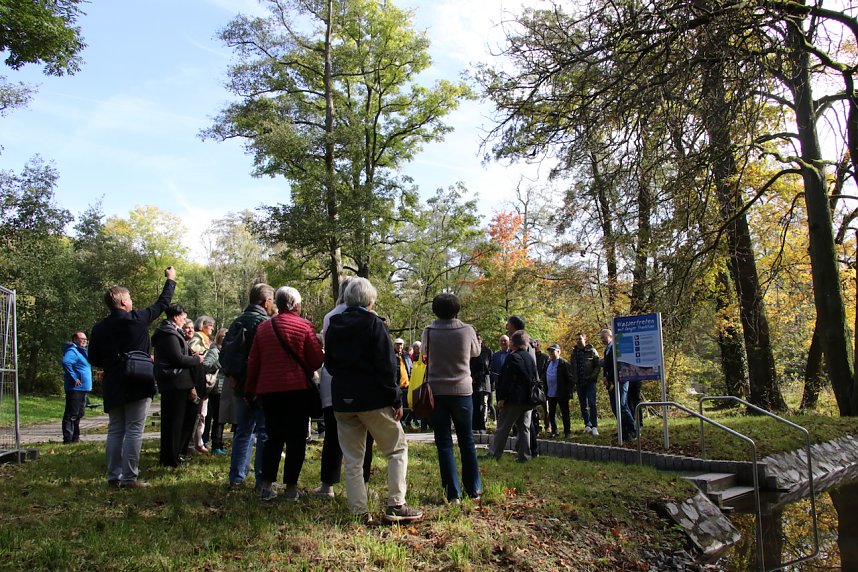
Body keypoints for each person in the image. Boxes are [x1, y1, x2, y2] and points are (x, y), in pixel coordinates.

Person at [325, 277, 423, 524]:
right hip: (372, 399)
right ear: (369, 300)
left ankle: (359, 512)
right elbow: (386, 366)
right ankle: (396, 505)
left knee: (353, 460)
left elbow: (330, 363)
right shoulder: (373, 324)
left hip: (342, 401)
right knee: (397, 448)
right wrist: (396, 399)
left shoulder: (333, 324)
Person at [89, 266, 176, 489]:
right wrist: (170, 280)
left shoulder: (99, 328)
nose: (132, 301)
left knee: (116, 429)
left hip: (114, 382)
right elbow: (162, 304)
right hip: (138, 378)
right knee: (134, 429)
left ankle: (113, 476)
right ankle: (129, 478)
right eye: (129, 298)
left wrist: (112, 364)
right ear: (123, 302)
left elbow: (93, 357)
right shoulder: (137, 319)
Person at [245, 286, 324, 501]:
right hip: (297, 390)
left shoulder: (263, 328)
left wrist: (250, 389)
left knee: (273, 438)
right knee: (296, 439)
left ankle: (267, 487)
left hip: (269, 391)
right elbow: (317, 360)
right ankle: (290, 489)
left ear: (278, 304)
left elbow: (253, 361)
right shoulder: (305, 326)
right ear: (296, 305)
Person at [313, 276, 375, 500]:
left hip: (334, 382)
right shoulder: (370, 317)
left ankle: (327, 484)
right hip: (362, 385)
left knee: (333, 435)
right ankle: (363, 486)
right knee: (364, 438)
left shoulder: (331, 316)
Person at [421, 293, 482, 503]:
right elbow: (475, 353)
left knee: (444, 442)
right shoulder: (467, 330)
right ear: (457, 310)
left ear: (435, 311)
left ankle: (452, 493)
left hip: (436, 391)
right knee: (467, 440)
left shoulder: (428, 332)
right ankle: (474, 489)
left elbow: (424, 353)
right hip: (462, 390)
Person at [223, 283, 277, 489]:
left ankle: (236, 478)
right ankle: (261, 479)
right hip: (259, 387)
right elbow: (264, 358)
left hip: (239, 386)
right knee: (263, 432)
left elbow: (223, 354)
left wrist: (233, 378)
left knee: (243, 431)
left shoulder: (236, 321)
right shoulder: (265, 324)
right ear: (267, 302)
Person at [152, 303, 204, 468]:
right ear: (176, 316)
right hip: (175, 383)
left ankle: (174, 455)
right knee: (174, 423)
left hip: (179, 383)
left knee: (179, 421)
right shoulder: (169, 334)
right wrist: (197, 359)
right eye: (183, 316)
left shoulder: (172, 332)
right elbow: (177, 359)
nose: (184, 320)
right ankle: (170, 459)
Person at [486, 329, 536, 463]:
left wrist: (502, 398)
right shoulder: (529, 357)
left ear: (513, 343)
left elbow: (507, 380)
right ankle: (524, 456)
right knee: (524, 429)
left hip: (514, 399)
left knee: (503, 428)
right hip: (528, 399)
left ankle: (494, 454)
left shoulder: (512, 357)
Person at [601, 328, 637, 441]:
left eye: (604, 337)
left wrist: (609, 377)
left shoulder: (616, 348)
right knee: (615, 407)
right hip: (610, 382)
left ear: (610, 336)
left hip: (621, 380)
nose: (602, 339)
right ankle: (623, 431)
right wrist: (605, 377)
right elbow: (606, 366)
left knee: (622, 405)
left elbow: (618, 365)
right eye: (601, 338)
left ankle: (633, 430)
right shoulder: (606, 350)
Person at [189, 315, 215, 454]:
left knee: (202, 414)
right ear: (202, 325)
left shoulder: (206, 339)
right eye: (210, 325)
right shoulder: (197, 338)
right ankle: (190, 444)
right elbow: (193, 357)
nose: (212, 327)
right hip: (198, 381)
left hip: (205, 382)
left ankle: (199, 442)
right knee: (196, 413)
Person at [61, 330, 92, 443]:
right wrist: (74, 377)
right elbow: (66, 362)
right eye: (81, 339)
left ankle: (75, 437)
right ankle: (68, 439)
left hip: (83, 388)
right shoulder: (72, 351)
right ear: (75, 340)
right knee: (71, 414)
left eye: (85, 340)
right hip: (75, 388)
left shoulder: (82, 352)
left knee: (79, 414)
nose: (84, 341)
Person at [203, 328, 228, 455]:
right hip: (216, 388)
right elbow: (206, 365)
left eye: (227, 336)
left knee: (221, 418)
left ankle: (219, 444)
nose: (225, 338)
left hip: (225, 388)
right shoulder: (214, 350)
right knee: (218, 418)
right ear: (219, 337)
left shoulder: (226, 350)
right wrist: (220, 362)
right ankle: (216, 445)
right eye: (223, 336)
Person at [542, 343, 574, 438]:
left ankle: (567, 432)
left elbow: (571, 379)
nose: (551, 353)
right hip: (550, 393)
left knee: (565, 413)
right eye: (550, 351)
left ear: (558, 352)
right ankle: (554, 431)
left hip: (561, 393)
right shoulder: (548, 363)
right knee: (551, 413)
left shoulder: (564, 363)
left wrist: (568, 391)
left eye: (553, 351)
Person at [572, 332, 601, 436]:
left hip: (590, 382)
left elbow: (597, 366)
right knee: (583, 405)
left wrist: (592, 377)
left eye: (580, 339)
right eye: (577, 339)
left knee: (592, 403)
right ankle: (587, 425)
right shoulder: (574, 352)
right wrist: (574, 380)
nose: (578, 341)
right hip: (579, 382)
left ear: (585, 339)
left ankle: (594, 426)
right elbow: (573, 367)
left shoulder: (592, 351)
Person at [470, 334, 492, 433]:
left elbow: (483, 369)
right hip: (468, 382)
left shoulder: (483, 353)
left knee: (480, 405)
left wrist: (474, 378)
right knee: (471, 406)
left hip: (479, 382)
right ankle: (473, 426)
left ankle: (480, 427)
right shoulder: (469, 352)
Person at [488, 335, 511, 422]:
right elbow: (492, 369)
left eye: (505, 340)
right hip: (499, 385)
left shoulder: (512, 354)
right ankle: (501, 423)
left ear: (509, 342)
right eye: (501, 341)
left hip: (510, 385)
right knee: (500, 406)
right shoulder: (495, 355)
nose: (503, 342)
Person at [393, 338, 413, 427]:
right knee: (398, 407)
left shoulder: (406, 355)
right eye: (397, 344)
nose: (399, 346)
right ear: (394, 345)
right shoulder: (392, 355)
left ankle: (405, 423)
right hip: (397, 386)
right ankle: (399, 424)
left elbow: (410, 368)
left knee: (407, 406)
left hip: (407, 385)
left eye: (401, 344)